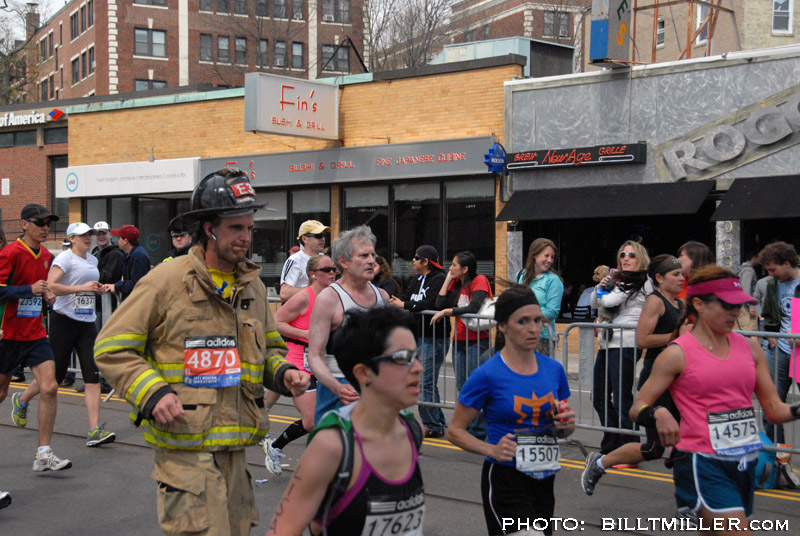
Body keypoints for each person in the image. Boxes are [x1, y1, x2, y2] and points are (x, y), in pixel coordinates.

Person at [94, 169, 310, 536]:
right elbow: (112, 347)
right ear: (209, 229)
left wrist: (283, 373)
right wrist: (152, 392)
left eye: (249, 228)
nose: (246, 238)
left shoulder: (253, 286)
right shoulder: (166, 281)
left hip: (235, 452)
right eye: (235, 228)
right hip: (185, 452)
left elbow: (270, 348)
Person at [630, 265, 800, 534]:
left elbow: (774, 410)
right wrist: (659, 413)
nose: (736, 312)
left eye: (739, 306)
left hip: (746, 462)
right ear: (699, 304)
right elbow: (638, 406)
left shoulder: (750, 347)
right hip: (702, 462)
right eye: (727, 305)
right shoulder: (677, 354)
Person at [267, 306, 424, 536]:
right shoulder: (332, 445)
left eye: (416, 356)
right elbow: (283, 529)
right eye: (403, 358)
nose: (418, 368)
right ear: (363, 373)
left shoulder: (413, 430)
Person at [446, 285, 575, 536]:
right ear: (503, 326)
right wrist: (490, 449)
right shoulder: (487, 374)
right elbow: (455, 431)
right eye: (523, 321)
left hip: (544, 478)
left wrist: (565, 425)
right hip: (506, 478)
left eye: (537, 320)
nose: (533, 328)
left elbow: (563, 430)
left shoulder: (554, 370)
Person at [582, 254, 685, 495]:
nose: (682, 278)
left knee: (688, 438)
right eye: (676, 274)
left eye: (682, 273)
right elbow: (643, 338)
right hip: (656, 374)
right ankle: (601, 461)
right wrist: (676, 338)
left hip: (679, 377)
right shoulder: (655, 300)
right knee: (654, 448)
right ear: (659, 278)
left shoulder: (681, 304)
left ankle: (690, 497)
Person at [0, 204, 72, 472]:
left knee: (50, 387)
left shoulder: (46, 255)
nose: (45, 228)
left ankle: (43, 453)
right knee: (1, 392)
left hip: (35, 332)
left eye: (48, 224)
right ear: (24, 225)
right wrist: (27, 290)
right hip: (8, 333)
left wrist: (46, 295)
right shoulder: (9, 253)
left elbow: (40, 288)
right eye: (40, 223)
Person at [307, 225, 389, 425]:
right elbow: (315, 355)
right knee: (335, 445)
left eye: (372, 255)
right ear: (343, 261)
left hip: (375, 388)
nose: (371, 260)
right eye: (363, 255)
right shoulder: (329, 299)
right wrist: (337, 387)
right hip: (340, 388)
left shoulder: (383, 297)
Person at [264, 255, 337, 475]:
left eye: (334, 269)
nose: (332, 272)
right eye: (327, 269)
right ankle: (276, 447)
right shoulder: (304, 297)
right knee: (312, 419)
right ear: (313, 274)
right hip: (298, 360)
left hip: (322, 360)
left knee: (329, 416)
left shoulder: (333, 296)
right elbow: (276, 322)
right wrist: (305, 334)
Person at [47, 222, 116, 447]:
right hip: (64, 321)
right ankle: (23, 398)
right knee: (54, 377)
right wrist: (82, 288)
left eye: (90, 234)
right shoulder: (65, 258)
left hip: (86, 323)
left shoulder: (93, 260)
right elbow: (51, 286)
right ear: (72, 239)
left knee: (91, 376)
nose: (88, 238)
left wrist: (98, 288)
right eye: (83, 235)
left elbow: (88, 286)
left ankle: (94, 430)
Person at [590, 240, 652, 455]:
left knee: (621, 398)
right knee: (599, 397)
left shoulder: (642, 280)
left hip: (626, 343)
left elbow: (608, 302)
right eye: (623, 254)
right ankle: (613, 442)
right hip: (608, 342)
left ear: (640, 258)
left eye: (631, 255)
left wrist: (603, 291)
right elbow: (594, 302)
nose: (626, 258)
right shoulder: (619, 280)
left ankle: (630, 447)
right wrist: (601, 287)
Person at [431, 250, 493, 439]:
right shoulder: (457, 283)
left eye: (454, 265)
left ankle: (479, 429)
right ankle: (470, 426)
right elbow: (439, 304)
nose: (450, 268)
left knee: (476, 385)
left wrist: (448, 311)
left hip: (477, 341)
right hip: (459, 340)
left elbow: (474, 307)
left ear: (465, 269)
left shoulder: (479, 280)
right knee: (462, 386)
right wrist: (448, 279)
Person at [390, 244, 449, 438]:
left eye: (416, 258)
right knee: (426, 382)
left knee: (425, 383)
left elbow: (432, 303)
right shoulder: (416, 279)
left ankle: (433, 424)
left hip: (434, 337)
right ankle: (437, 422)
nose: (413, 261)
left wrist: (405, 305)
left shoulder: (439, 278)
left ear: (425, 261)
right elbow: (406, 298)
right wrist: (403, 304)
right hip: (418, 335)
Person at [757, 241, 800, 444]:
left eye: (773, 270)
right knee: (771, 404)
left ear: (787, 263)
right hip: (779, 350)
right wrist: (770, 335)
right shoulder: (773, 284)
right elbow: (768, 314)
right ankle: (778, 453)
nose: (771, 275)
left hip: (798, 351)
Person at [516, 238, 564, 355]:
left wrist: (525, 315)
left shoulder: (553, 280)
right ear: (534, 255)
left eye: (552, 257)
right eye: (546, 256)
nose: (550, 260)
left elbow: (552, 312)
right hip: (520, 334)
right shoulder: (521, 275)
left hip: (542, 338)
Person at [280, 219, 330, 302]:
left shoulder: (325, 258)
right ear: (304, 239)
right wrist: (314, 289)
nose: (323, 239)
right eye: (318, 235)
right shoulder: (295, 260)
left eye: (324, 235)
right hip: (303, 308)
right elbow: (284, 293)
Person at [102, 224, 150, 300]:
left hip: (137, 302)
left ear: (125, 241)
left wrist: (117, 286)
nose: (117, 240)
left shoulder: (138, 256)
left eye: (119, 238)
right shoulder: (134, 254)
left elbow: (137, 284)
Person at [736, 251, 759, 331]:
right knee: (751, 330)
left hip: (740, 304)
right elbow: (746, 288)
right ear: (754, 258)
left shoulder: (740, 269)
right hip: (745, 306)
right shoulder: (748, 270)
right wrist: (750, 306)